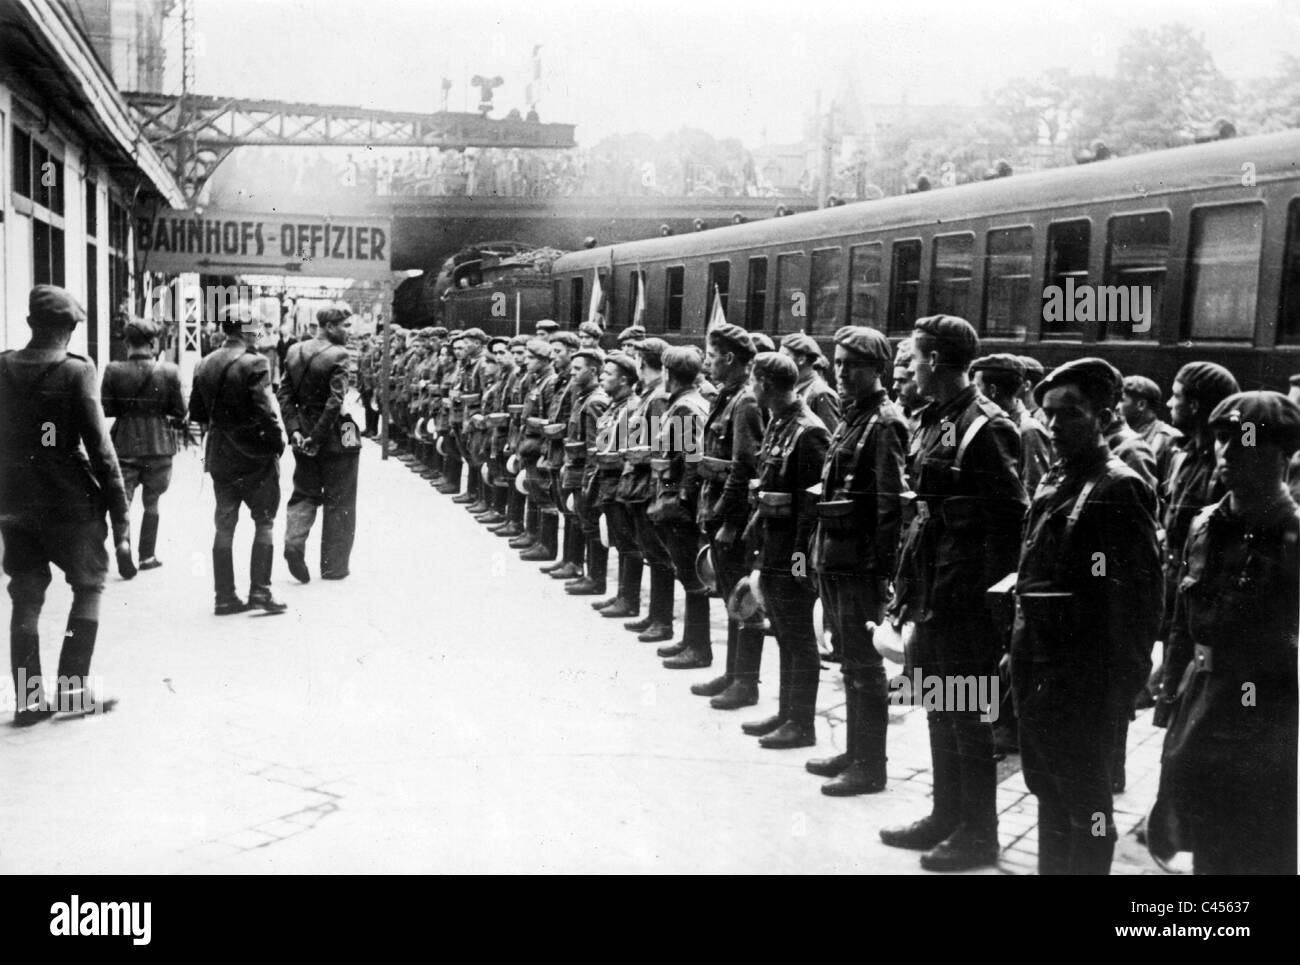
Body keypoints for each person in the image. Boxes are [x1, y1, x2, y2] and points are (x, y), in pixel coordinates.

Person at [881, 314, 1027, 872]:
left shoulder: (985, 426)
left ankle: (979, 835)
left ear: (936, 360)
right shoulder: (938, 417)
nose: (910, 368)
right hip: (932, 588)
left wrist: (988, 605)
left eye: (915, 357)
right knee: (938, 707)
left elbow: (1009, 520)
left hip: (964, 600)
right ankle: (946, 815)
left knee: (968, 715)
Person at [1012, 358, 1162, 874]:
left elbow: (1138, 605)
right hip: (1038, 667)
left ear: (1103, 415)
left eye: (1069, 415)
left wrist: (1118, 690)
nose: (1053, 427)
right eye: (1048, 415)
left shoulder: (1117, 487)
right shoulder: (1061, 477)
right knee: (1047, 788)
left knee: (1087, 805)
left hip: (1083, 679)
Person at [1150, 391, 1300, 875]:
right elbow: (1181, 619)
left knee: (1257, 845)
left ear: (1284, 454)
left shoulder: (1293, 537)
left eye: (1247, 440)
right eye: (1221, 438)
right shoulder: (1205, 524)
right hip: (1203, 701)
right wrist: (1168, 685)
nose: (1227, 452)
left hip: (1270, 716)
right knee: (1205, 839)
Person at [1, 286, 130, 723]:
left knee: (26, 595)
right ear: (70, 329)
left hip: (15, 500)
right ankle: (72, 693)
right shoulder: (77, 371)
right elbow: (102, 450)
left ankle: (30, 699)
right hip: (70, 502)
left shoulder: (1, 366)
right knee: (88, 587)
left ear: (30, 324)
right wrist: (120, 514)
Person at [805, 326, 907, 793]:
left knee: (865, 668)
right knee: (849, 662)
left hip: (860, 564)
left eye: (853, 365)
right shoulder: (855, 415)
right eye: (839, 363)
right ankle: (854, 750)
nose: (842, 372)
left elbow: (890, 506)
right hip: (837, 555)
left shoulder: (884, 422)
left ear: (878, 370)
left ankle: (871, 765)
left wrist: (879, 571)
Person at [740, 352, 830, 749]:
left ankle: (802, 723)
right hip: (772, 545)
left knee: (798, 637)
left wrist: (798, 564)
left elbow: (810, 508)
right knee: (783, 632)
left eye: (753, 380)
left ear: (764, 383)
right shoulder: (780, 423)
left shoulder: (808, 431)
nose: (751, 387)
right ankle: (786, 712)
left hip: (792, 554)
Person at [188, 305, 288, 615]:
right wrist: (277, 442)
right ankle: (261, 592)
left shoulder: (203, 364)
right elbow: (264, 410)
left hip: (220, 455)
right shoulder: (255, 362)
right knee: (265, 521)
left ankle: (224, 596)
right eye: (255, 325)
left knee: (225, 524)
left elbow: (198, 414)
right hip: (255, 456)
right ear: (244, 328)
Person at [687, 323, 764, 690]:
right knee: (729, 593)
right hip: (717, 509)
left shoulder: (745, 401)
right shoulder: (727, 396)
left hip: (732, 517)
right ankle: (733, 674)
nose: (707, 363)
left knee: (743, 599)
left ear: (730, 358)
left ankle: (745, 682)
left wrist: (727, 520)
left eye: (712, 356)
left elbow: (744, 467)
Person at [279, 306, 362, 583]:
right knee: (341, 499)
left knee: (304, 492)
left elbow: (285, 395)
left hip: (302, 432)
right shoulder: (339, 354)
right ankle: (334, 567)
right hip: (338, 434)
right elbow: (335, 401)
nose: (350, 332)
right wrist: (318, 435)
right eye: (346, 326)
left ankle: (294, 543)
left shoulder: (293, 352)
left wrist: (294, 431)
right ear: (329, 325)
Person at [101, 319, 186, 571]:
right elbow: (180, 411)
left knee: (122, 500)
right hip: (159, 444)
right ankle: (147, 556)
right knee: (152, 501)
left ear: (126, 343)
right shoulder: (169, 371)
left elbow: (107, 409)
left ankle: (123, 543)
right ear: (153, 343)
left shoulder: (113, 370)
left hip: (125, 442)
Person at [619, 338, 677, 644]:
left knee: (657, 555)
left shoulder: (657, 398)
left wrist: (629, 453)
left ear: (643, 362)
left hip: (648, 485)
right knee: (652, 553)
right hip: (643, 483)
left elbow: (659, 450)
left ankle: (662, 620)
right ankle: (656, 616)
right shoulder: (650, 394)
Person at [589, 352, 643, 617]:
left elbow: (634, 451)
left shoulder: (633, 407)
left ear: (624, 380)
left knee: (628, 543)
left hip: (621, 482)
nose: (602, 377)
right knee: (620, 542)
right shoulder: (615, 405)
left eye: (608, 374)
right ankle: (622, 595)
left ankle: (629, 600)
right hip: (608, 480)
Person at [561, 347, 611, 595]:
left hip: (587, 473)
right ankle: (587, 573)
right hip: (578, 469)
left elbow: (596, 448)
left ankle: (596, 579)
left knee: (591, 525)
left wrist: (589, 482)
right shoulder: (582, 397)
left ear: (593, 371)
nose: (572, 372)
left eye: (578, 369)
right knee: (583, 521)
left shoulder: (595, 402)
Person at [971, 354, 1051, 497]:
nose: (974, 393)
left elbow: (1033, 487)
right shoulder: (985, 423)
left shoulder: (1028, 429)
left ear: (993, 390)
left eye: (977, 386)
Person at [1120, 375, 1181, 488]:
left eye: (1121, 400)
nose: (1116, 406)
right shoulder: (1122, 434)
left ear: (1141, 405)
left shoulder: (1168, 438)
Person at [781, 331, 841, 433]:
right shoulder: (798, 388)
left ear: (801, 359)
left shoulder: (821, 393)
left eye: (785, 356)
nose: (780, 361)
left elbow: (829, 439)